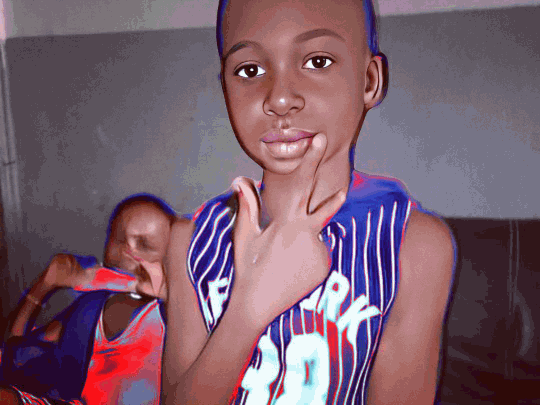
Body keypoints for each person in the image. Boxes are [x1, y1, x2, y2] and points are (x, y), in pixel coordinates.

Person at [161, 0, 455, 404]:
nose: (279, 99)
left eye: (317, 62)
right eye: (249, 70)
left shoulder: (411, 244)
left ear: (370, 81)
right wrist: (248, 310)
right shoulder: (191, 241)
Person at [1, 194, 175, 405]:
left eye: (145, 244)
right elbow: (13, 361)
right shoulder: (90, 309)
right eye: (119, 238)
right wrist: (43, 286)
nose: (128, 251)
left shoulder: (172, 314)